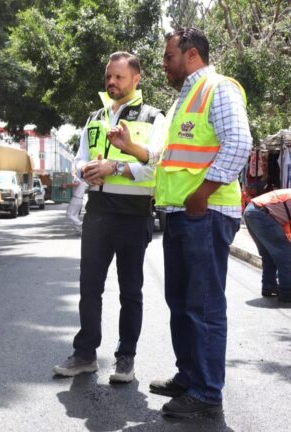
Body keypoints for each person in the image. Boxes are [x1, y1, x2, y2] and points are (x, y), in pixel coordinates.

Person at [107, 28, 251, 417]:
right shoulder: (182, 100)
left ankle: (206, 393)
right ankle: (189, 377)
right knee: (182, 304)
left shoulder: (218, 89)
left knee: (203, 307)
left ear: (191, 55)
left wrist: (202, 193)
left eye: (169, 57)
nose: (164, 65)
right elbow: (163, 156)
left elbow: (240, 143)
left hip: (205, 213)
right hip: (180, 215)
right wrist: (129, 147)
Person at [52, 52, 166, 384]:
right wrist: (85, 170)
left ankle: (125, 358)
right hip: (98, 212)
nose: (112, 82)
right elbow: (78, 160)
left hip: (133, 214)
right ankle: (85, 355)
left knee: (131, 290)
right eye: (109, 77)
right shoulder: (95, 118)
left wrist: (114, 168)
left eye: (119, 76)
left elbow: (157, 168)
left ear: (136, 79)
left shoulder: (153, 118)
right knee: (89, 287)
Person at [244, 189, 291, 304]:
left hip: (252, 211)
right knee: (285, 256)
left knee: (269, 255)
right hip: (261, 214)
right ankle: (287, 292)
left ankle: (269, 286)